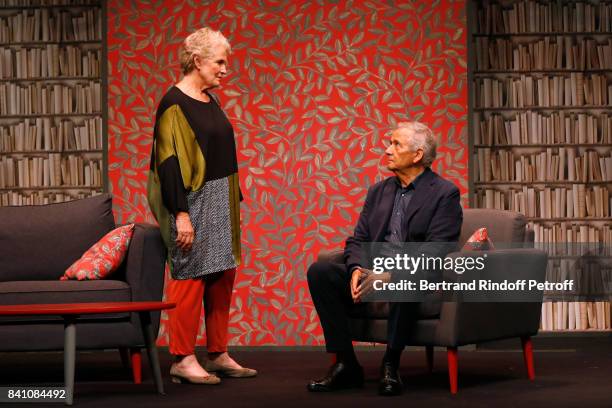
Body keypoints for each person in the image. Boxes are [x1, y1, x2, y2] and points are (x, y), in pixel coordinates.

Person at [306, 121, 463, 396]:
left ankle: (391, 363)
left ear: (417, 155)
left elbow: (437, 249)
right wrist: (356, 269)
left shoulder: (444, 193)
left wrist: (390, 274)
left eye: (396, 144)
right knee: (320, 272)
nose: (387, 150)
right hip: (374, 271)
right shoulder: (379, 191)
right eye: (389, 143)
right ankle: (346, 364)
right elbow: (358, 239)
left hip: (415, 274)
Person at [146, 27, 256, 385]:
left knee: (222, 275)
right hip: (191, 201)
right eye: (220, 62)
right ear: (197, 61)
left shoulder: (211, 101)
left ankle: (217, 352)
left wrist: (231, 201)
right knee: (189, 275)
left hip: (221, 197)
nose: (226, 69)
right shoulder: (174, 103)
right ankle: (181, 357)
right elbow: (169, 162)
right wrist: (181, 213)